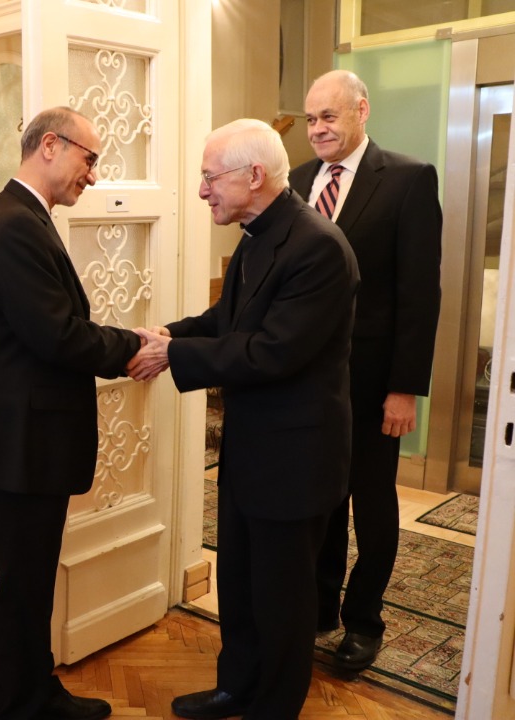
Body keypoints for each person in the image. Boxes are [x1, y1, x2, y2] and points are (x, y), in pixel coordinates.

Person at [129, 119, 359, 719]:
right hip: (253, 450)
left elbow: (272, 351)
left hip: (295, 460)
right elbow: (227, 321)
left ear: (254, 176)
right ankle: (236, 686)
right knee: (239, 581)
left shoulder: (318, 247)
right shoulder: (258, 235)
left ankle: (272, 707)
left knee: (283, 599)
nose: (201, 190)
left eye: (210, 177)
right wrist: (168, 334)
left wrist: (173, 355)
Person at [0, 106, 157, 720]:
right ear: (50, 145)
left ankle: (34, 692)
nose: (93, 175)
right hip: (20, 446)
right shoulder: (15, 226)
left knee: (30, 582)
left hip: (26, 442)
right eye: (89, 159)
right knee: (24, 585)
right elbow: (58, 336)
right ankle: (20, 704)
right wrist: (133, 346)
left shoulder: (24, 217)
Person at [289, 70, 442, 671]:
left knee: (372, 506)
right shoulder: (296, 181)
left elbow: (419, 296)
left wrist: (405, 388)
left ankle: (363, 620)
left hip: (374, 382)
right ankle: (321, 608)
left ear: (361, 110)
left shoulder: (408, 179)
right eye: (310, 119)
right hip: (308, 382)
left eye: (328, 116)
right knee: (319, 498)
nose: (317, 129)